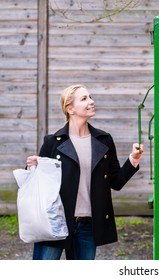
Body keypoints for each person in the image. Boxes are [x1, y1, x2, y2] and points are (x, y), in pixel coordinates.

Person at [26, 84, 144, 260]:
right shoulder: (53, 142)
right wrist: (32, 167)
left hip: (88, 225)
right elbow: (39, 184)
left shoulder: (103, 140)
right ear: (70, 109)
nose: (91, 101)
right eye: (84, 99)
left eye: (90, 97)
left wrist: (133, 159)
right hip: (55, 222)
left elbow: (116, 182)